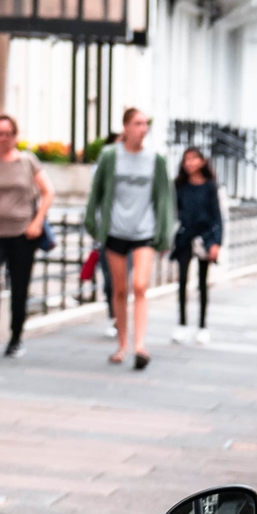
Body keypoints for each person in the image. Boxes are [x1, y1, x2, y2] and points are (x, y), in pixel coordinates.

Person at [83, 108, 175, 371]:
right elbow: (96, 192)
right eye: (137, 123)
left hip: (143, 232)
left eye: (146, 124)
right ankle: (122, 345)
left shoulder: (155, 159)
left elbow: (165, 199)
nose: (142, 128)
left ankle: (140, 346)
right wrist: (92, 223)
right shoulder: (111, 156)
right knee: (119, 290)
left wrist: (165, 233)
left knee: (140, 286)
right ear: (125, 127)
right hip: (115, 231)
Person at [0, 114, 51, 357]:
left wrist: (37, 222)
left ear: (16, 136)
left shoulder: (28, 162)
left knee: (19, 285)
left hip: (23, 233)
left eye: (8, 134)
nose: (3, 139)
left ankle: (16, 336)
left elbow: (48, 192)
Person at [171, 147, 225, 346]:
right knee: (182, 280)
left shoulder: (210, 186)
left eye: (194, 159)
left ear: (202, 161)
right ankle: (182, 324)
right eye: (187, 160)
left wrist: (217, 242)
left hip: (205, 238)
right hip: (185, 236)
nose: (190, 163)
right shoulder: (179, 185)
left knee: (202, 284)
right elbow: (174, 212)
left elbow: (217, 216)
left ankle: (202, 326)